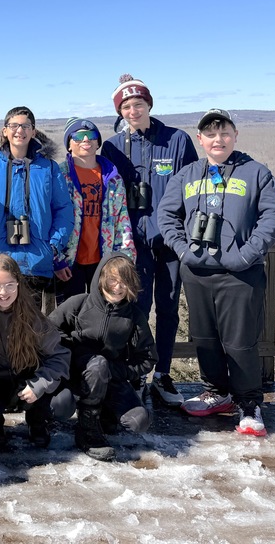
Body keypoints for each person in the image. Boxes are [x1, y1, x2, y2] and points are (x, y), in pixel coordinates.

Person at [158, 109, 275, 437]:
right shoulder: (187, 175)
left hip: (241, 274)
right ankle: (217, 393)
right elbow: (166, 213)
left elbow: (274, 215)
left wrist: (247, 254)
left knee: (240, 342)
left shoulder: (256, 173)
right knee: (204, 338)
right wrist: (183, 249)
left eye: (225, 133)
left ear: (235, 135)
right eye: (211, 134)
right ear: (200, 139)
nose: (219, 140)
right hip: (197, 272)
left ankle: (248, 404)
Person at [100, 74, 198, 406]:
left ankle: (163, 374)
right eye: (126, 106)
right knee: (138, 308)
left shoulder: (177, 140)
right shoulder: (113, 147)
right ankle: (138, 373)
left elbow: (194, 188)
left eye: (138, 103)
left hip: (171, 242)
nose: (133, 110)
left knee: (169, 309)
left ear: (149, 104)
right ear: (120, 111)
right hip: (134, 244)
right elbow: (108, 196)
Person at [50, 252, 156, 461]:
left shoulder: (134, 317)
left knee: (138, 422)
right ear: (101, 278)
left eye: (124, 282)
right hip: (74, 375)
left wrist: (117, 370)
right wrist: (69, 354)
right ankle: (87, 429)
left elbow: (148, 358)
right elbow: (48, 331)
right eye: (112, 280)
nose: (117, 287)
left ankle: (102, 412)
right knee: (58, 408)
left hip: (110, 378)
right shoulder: (78, 303)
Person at [0, 106, 74, 310]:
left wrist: (52, 246)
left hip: (37, 262)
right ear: (5, 131)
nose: (20, 130)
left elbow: (63, 210)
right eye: (14, 125)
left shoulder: (48, 168)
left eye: (26, 126)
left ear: (33, 131)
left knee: (31, 330)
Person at [0, 254, 70, 451]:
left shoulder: (31, 315)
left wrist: (39, 384)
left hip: (25, 383)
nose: (3, 292)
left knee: (63, 402)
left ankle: (37, 420)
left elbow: (59, 356)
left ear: (18, 283)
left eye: (9, 284)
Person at [57, 118, 136, 305]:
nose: (86, 140)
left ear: (98, 142)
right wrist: (57, 260)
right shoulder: (59, 175)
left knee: (103, 313)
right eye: (78, 136)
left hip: (103, 260)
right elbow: (50, 219)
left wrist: (123, 260)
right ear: (69, 144)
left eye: (91, 136)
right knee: (70, 314)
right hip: (69, 261)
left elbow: (122, 220)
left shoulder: (112, 177)